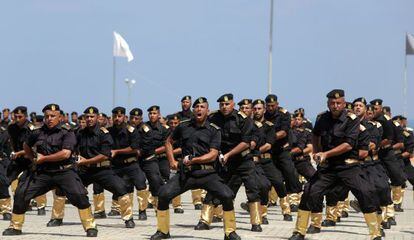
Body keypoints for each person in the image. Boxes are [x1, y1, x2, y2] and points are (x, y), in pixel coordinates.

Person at [288, 90, 380, 240]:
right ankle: (299, 231)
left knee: (365, 193)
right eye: (332, 103)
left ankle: (375, 234)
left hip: (348, 166)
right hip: (329, 167)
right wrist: (317, 153)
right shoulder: (322, 118)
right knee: (309, 191)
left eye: (338, 103)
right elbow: (315, 134)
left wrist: (326, 154)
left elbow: (348, 145)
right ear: (328, 104)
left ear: (344, 104)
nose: (335, 106)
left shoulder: (352, 119)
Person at [150, 97, 240, 240]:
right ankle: (163, 231)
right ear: (193, 110)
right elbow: (168, 142)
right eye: (196, 107)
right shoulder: (183, 126)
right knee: (163, 194)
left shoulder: (214, 130)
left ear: (207, 111)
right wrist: (171, 160)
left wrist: (194, 160)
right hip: (187, 174)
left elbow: (213, 154)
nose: (199, 109)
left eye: (202, 107)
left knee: (227, 195)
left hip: (207, 173)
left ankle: (230, 232)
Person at [2, 104, 98, 237]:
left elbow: (65, 154)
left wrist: (43, 158)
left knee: (79, 195)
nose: (49, 119)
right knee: (21, 192)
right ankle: (15, 226)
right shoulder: (37, 132)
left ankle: (90, 226)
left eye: (53, 116)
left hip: (64, 172)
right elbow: (26, 145)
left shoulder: (67, 132)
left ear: (59, 117)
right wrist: (33, 158)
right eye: (47, 116)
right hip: (43, 172)